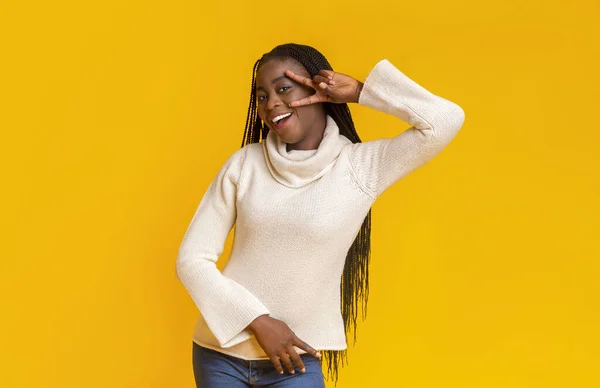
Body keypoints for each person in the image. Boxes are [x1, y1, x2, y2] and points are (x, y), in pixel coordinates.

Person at [176, 43, 465, 388]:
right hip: (219, 355)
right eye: (262, 96)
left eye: (284, 89)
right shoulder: (244, 164)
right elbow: (191, 260)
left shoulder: (361, 168)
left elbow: (445, 120)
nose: (271, 104)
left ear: (316, 90)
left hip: (296, 362)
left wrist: (360, 91)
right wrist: (258, 321)